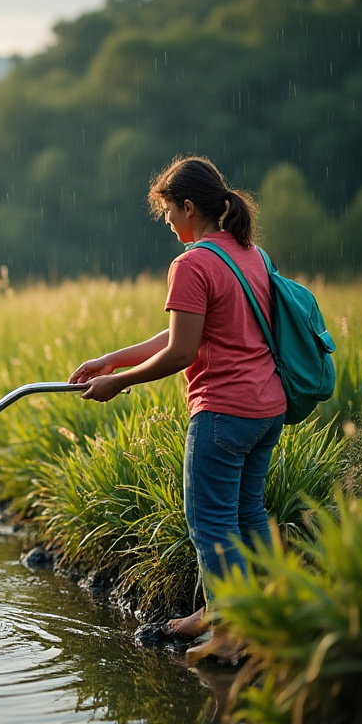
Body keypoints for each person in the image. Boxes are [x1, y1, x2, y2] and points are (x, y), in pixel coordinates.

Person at [69, 156, 286, 660]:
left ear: (189, 207)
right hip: (266, 407)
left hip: (223, 413)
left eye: (168, 212)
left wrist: (117, 384)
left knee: (210, 522)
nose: (168, 223)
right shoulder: (250, 253)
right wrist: (111, 360)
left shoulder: (191, 264)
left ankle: (230, 637)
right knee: (248, 514)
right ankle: (261, 614)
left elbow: (182, 353)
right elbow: (182, 334)